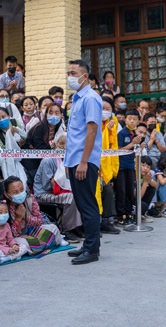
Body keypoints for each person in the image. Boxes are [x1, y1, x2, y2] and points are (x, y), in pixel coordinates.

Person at [63, 59, 103, 265]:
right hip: (74, 160)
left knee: (88, 205)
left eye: (73, 73)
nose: (70, 77)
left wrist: (84, 161)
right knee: (82, 203)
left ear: (85, 76)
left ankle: (92, 249)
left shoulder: (90, 98)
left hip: (83, 161)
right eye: (68, 72)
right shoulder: (78, 98)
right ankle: (88, 244)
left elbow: (92, 130)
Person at [34, 134, 84, 243]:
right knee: (71, 197)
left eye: (68, 144)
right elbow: (47, 185)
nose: (65, 147)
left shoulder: (71, 159)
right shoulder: (48, 160)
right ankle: (69, 229)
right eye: (62, 144)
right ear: (56, 144)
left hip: (61, 191)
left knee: (81, 194)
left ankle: (78, 226)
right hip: (44, 193)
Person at [4, 177, 62, 254]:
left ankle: (35, 248)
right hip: (18, 237)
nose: (20, 194)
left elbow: (39, 221)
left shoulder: (30, 198)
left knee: (53, 228)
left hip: (32, 231)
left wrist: (26, 217)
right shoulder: (3, 207)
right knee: (22, 243)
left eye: (21, 190)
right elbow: (10, 235)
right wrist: (18, 219)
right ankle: (46, 244)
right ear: (7, 195)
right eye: (15, 192)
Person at [23, 102, 65, 188]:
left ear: (61, 115)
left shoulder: (60, 127)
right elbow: (40, 148)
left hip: (50, 159)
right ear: (46, 115)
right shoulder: (40, 127)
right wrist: (54, 147)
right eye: (50, 112)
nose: (54, 115)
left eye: (57, 113)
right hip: (32, 160)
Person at [115, 110, 142, 225]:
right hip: (121, 166)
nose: (132, 121)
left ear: (138, 121)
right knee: (121, 191)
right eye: (130, 118)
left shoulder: (136, 134)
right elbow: (118, 150)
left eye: (135, 119)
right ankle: (120, 215)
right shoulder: (122, 134)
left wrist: (140, 146)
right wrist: (132, 144)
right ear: (125, 120)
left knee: (130, 190)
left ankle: (129, 213)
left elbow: (136, 152)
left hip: (131, 166)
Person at [99, 97, 121, 235]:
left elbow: (114, 145)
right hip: (92, 163)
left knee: (107, 189)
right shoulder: (92, 122)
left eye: (108, 109)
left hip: (106, 165)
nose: (105, 112)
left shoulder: (113, 123)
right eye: (102, 108)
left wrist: (110, 130)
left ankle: (107, 221)